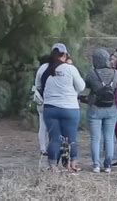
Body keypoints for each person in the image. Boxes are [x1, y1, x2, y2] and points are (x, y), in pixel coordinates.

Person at [36, 43, 85, 172]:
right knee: (71, 138)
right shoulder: (70, 68)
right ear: (64, 55)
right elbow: (81, 87)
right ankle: (72, 163)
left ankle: (52, 166)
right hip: (69, 108)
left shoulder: (44, 69)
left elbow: (39, 87)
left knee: (54, 138)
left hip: (50, 108)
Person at [84, 49, 117, 173]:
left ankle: (96, 165)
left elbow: (85, 85)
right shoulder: (115, 73)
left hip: (95, 108)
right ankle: (108, 165)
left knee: (95, 138)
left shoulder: (92, 74)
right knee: (109, 137)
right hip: (111, 108)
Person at [34, 54, 50, 156]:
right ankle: (50, 145)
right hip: (51, 100)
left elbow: (37, 85)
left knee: (42, 124)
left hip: (40, 99)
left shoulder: (40, 69)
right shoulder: (53, 67)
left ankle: (42, 147)